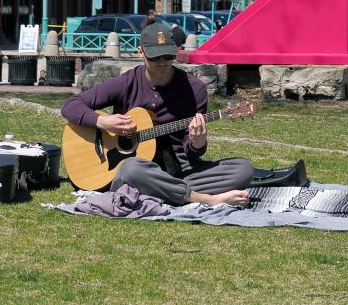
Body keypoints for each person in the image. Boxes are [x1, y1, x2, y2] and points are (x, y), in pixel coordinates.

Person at [61, 21, 257, 207]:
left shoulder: (194, 89)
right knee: (130, 169)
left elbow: (189, 151)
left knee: (243, 170)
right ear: (141, 52)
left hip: (179, 170)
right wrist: (103, 122)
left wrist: (198, 142)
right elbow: (70, 105)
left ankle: (163, 190)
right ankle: (206, 199)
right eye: (155, 57)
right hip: (135, 168)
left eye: (168, 56)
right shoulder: (127, 82)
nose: (162, 62)